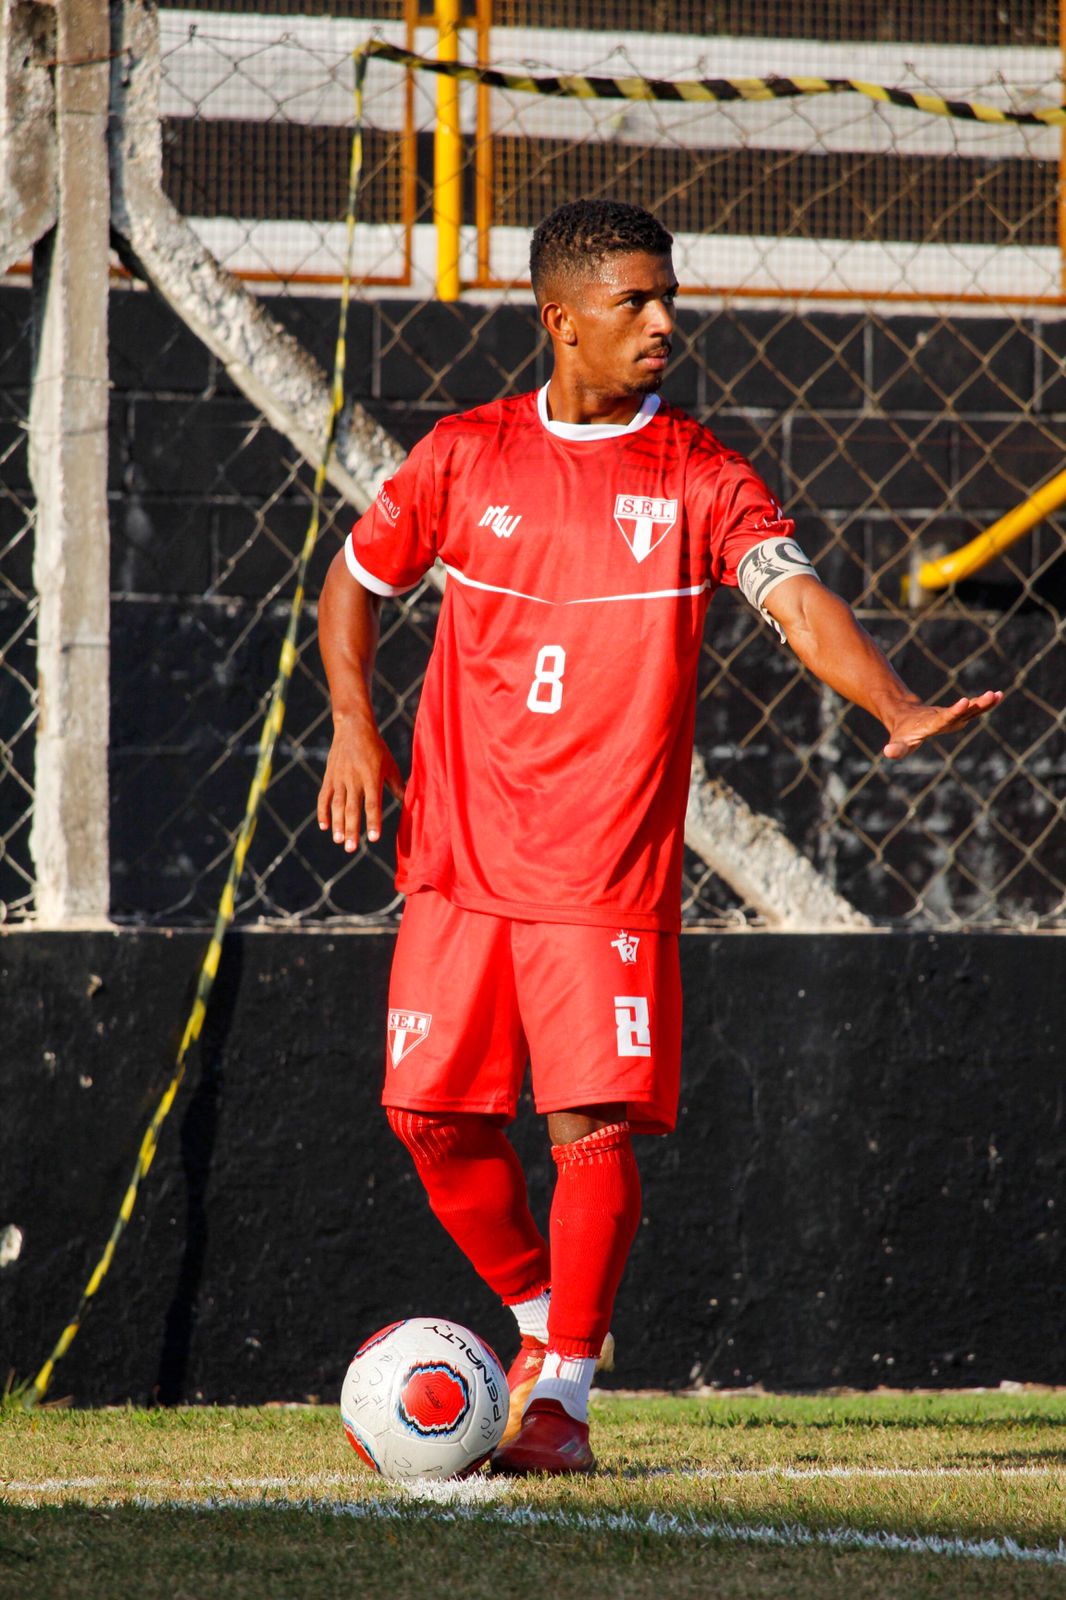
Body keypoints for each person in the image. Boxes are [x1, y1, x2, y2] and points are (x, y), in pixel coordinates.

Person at [316, 199, 1001, 1476]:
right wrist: (355, 726)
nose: (664, 321)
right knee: (429, 1119)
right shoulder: (464, 455)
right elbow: (354, 581)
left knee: (588, 1128)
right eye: (634, 299)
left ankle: (564, 1402)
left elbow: (796, 598)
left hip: (598, 869)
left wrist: (895, 704)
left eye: (667, 296)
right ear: (561, 319)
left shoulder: (699, 474)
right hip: (457, 857)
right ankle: (537, 1317)